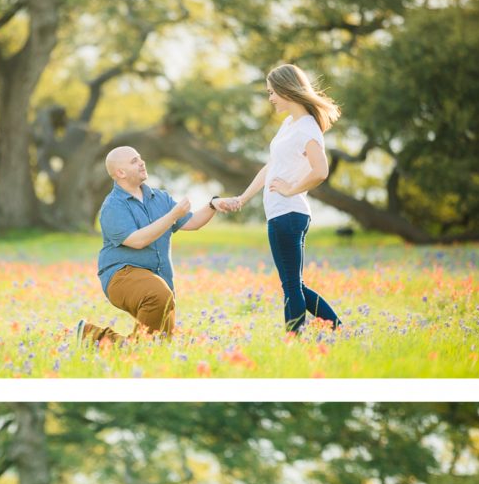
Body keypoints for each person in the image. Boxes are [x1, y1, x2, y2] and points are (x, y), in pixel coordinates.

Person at [75, 147, 237, 345]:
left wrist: (213, 205)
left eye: (141, 158)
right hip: (122, 276)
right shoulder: (113, 206)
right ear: (121, 173)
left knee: (158, 344)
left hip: (159, 281)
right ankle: (110, 342)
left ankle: (91, 336)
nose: (142, 162)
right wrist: (172, 216)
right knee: (157, 295)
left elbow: (191, 222)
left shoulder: (160, 198)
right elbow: (137, 241)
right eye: (134, 161)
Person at [232, 64, 343, 333]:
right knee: (296, 284)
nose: (270, 98)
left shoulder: (307, 128)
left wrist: (291, 189)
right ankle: (339, 330)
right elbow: (270, 167)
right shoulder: (290, 124)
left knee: (291, 286)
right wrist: (243, 198)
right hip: (284, 213)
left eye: (272, 92)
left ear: (286, 90)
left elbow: (321, 171)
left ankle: (294, 340)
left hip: (288, 213)